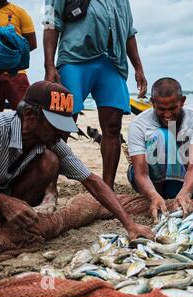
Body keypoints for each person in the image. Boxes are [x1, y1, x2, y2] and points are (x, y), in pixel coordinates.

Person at [0, 81, 153, 240]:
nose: (62, 133)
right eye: (56, 125)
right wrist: (3, 202)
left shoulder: (51, 141)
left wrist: (130, 225)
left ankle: (1, 225)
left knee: (49, 161)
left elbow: (92, 181)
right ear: (29, 115)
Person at [43, 0, 147, 191]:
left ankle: (108, 188)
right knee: (61, 126)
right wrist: (49, 65)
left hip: (113, 62)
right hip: (74, 59)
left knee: (113, 127)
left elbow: (129, 32)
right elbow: (51, 22)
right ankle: (50, 188)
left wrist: (138, 68)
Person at [127, 78, 193, 221]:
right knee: (164, 136)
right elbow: (141, 173)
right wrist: (154, 196)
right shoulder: (139, 124)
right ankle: (159, 198)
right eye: (161, 109)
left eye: (173, 108)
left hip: (181, 170)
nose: (167, 115)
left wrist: (186, 193)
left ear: (182, 101)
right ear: (153, 103)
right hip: (150, 175)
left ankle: (172, 194)